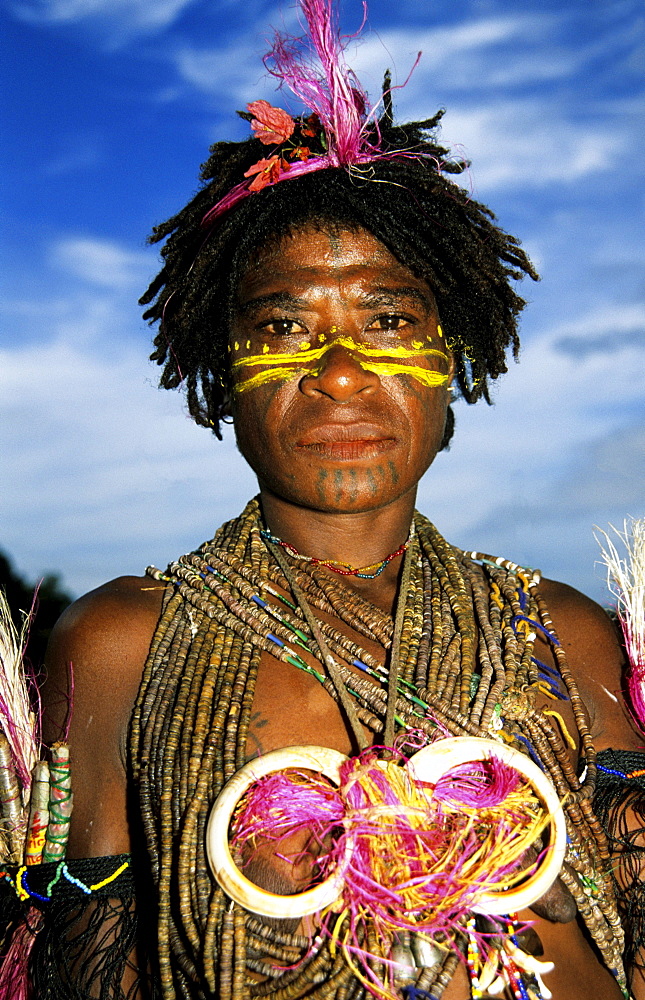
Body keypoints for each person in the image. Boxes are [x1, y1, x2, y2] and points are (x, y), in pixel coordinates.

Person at [6, 1, 643, 998]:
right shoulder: (125, 641)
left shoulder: (562, 634)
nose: (341, 373)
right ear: (222, 376)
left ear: (451, 362)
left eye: (389, 318)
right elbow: (93, 964)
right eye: (285, 327)